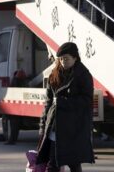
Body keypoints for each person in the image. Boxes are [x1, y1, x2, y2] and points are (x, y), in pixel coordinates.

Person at [38, 42, 95, 172]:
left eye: (66, 59)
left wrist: (64, 102)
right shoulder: (54, 74)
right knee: (53, 164)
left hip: (73, 128)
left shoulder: (83, 75)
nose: (63, 62)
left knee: (73, 164)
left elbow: (87, 100)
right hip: (55, 127)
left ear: (75, 58)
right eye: (61, 59)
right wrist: (42, 126)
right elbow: (48, 102)